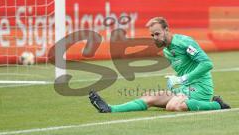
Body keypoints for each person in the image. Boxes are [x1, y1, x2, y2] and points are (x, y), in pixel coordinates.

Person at [89, 17, 231, 113]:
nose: (154, 38)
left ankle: (217, 104)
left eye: (157, 34)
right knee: (149, 97)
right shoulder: (167, 50)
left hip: (201, 88)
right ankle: (110, 109)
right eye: (152, 35)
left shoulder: (184, 42)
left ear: (167, 30)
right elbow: (186, 67)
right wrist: (176, 78)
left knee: (173, 106)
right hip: (185, 88)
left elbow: (207, 64)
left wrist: (182, 79)